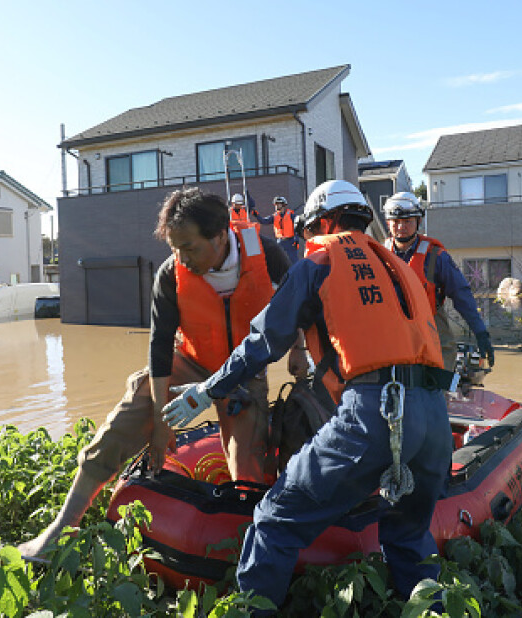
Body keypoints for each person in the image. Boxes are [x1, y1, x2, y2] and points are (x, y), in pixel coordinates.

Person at [162, 180, 455, 610]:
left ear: (324, 222)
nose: (304, 240)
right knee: (410, 535)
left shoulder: (319, 260)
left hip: (373, 414)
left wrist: (209, 389)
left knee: (274, 521)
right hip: (433, 421)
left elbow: (264, 340)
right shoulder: (399, 265)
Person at [18, 187, 292, 557]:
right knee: (126, 419)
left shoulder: (268, 255)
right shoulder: (171, 273)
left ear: (218, 235)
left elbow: (300, 306)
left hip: (242, 371)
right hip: (189, 360)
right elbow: (160, 346)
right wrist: (161, 427)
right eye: (174, 247)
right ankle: (61, 528)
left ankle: (244, 546)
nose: (182, 257)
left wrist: (301, 353)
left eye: (190, 247)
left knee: (247, 461)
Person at [382, 192, 494, 370]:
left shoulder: (436, 257)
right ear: (388, 223)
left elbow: (461, 294)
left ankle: (443, 395)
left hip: (430, 324)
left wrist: (480, 332)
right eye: (396, 222)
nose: (401, 226)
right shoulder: (378, 255)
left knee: (442, 367)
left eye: (407, 221)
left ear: (418, 222)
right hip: (392, 326)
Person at [251, 196, 301, 263]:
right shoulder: (274, 216)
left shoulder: (291, 215)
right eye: (275, 204)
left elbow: (296, 227)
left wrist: (296, 240)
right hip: (280, 242)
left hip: (290, 242)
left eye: (278, 204)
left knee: (293, 261)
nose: (276, 206)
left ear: (283, 205)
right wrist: (257, 215)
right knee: (279, 261)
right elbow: (264, 221)